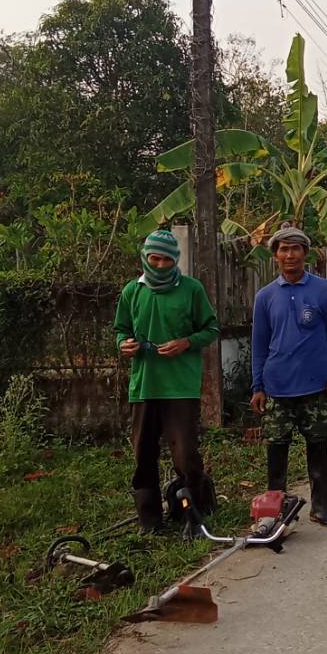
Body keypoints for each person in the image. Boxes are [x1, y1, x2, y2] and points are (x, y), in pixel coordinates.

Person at [113, 228, 220, 533]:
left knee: (185, 454)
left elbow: (211, 329)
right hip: (144, 386)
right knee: (143, 454)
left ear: (176, 260)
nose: (160, 265)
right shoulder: (132, 291)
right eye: (154, 259)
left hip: (180, 386)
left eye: (167, 260)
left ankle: (194, 514)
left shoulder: (191, 289)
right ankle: (149, 521)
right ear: (145, 257)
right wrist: (124, 344)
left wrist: (186, 342)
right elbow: (121, 329)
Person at [249, 224, 327, 526]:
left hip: (315, 386)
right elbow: (259, 345)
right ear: (275, 255)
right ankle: (275, 512)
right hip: (277, 386)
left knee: (317, 443)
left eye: (295, 249)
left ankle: (320, 507)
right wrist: (257, 386)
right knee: (276, 448)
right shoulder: (265, 296)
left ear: (305, 253)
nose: (289, 255)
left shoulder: (324, 291)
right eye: (283, 249)